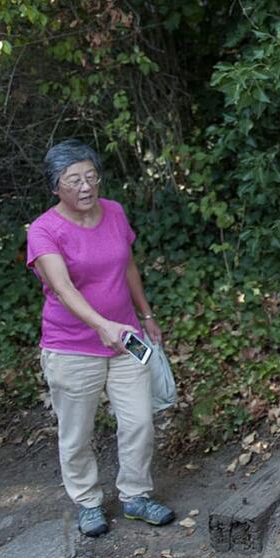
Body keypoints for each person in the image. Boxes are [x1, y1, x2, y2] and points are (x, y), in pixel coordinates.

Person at [26, 140, 174, 537]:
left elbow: (128, 267)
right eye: (74, 180)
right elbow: (62, 288)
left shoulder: (114, 212)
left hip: (127, 339)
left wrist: (146, 315)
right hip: (71, 346)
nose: (86, 186)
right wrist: (101, 325)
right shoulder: (44, 230)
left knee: (139, 420)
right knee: (77, 432)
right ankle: (88, 501)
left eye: (91, 176)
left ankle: (136, 495)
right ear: (55, 186)